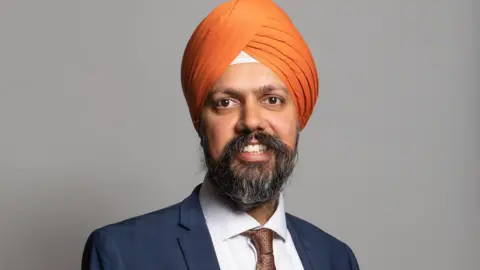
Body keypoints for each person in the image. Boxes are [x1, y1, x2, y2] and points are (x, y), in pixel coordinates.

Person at [81, 0, 360, 269]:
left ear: (299, 116)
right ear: (200, 121)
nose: (251, 121)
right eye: (226, 102)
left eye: (272, 100)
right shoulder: (124, 254)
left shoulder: (335, 258)